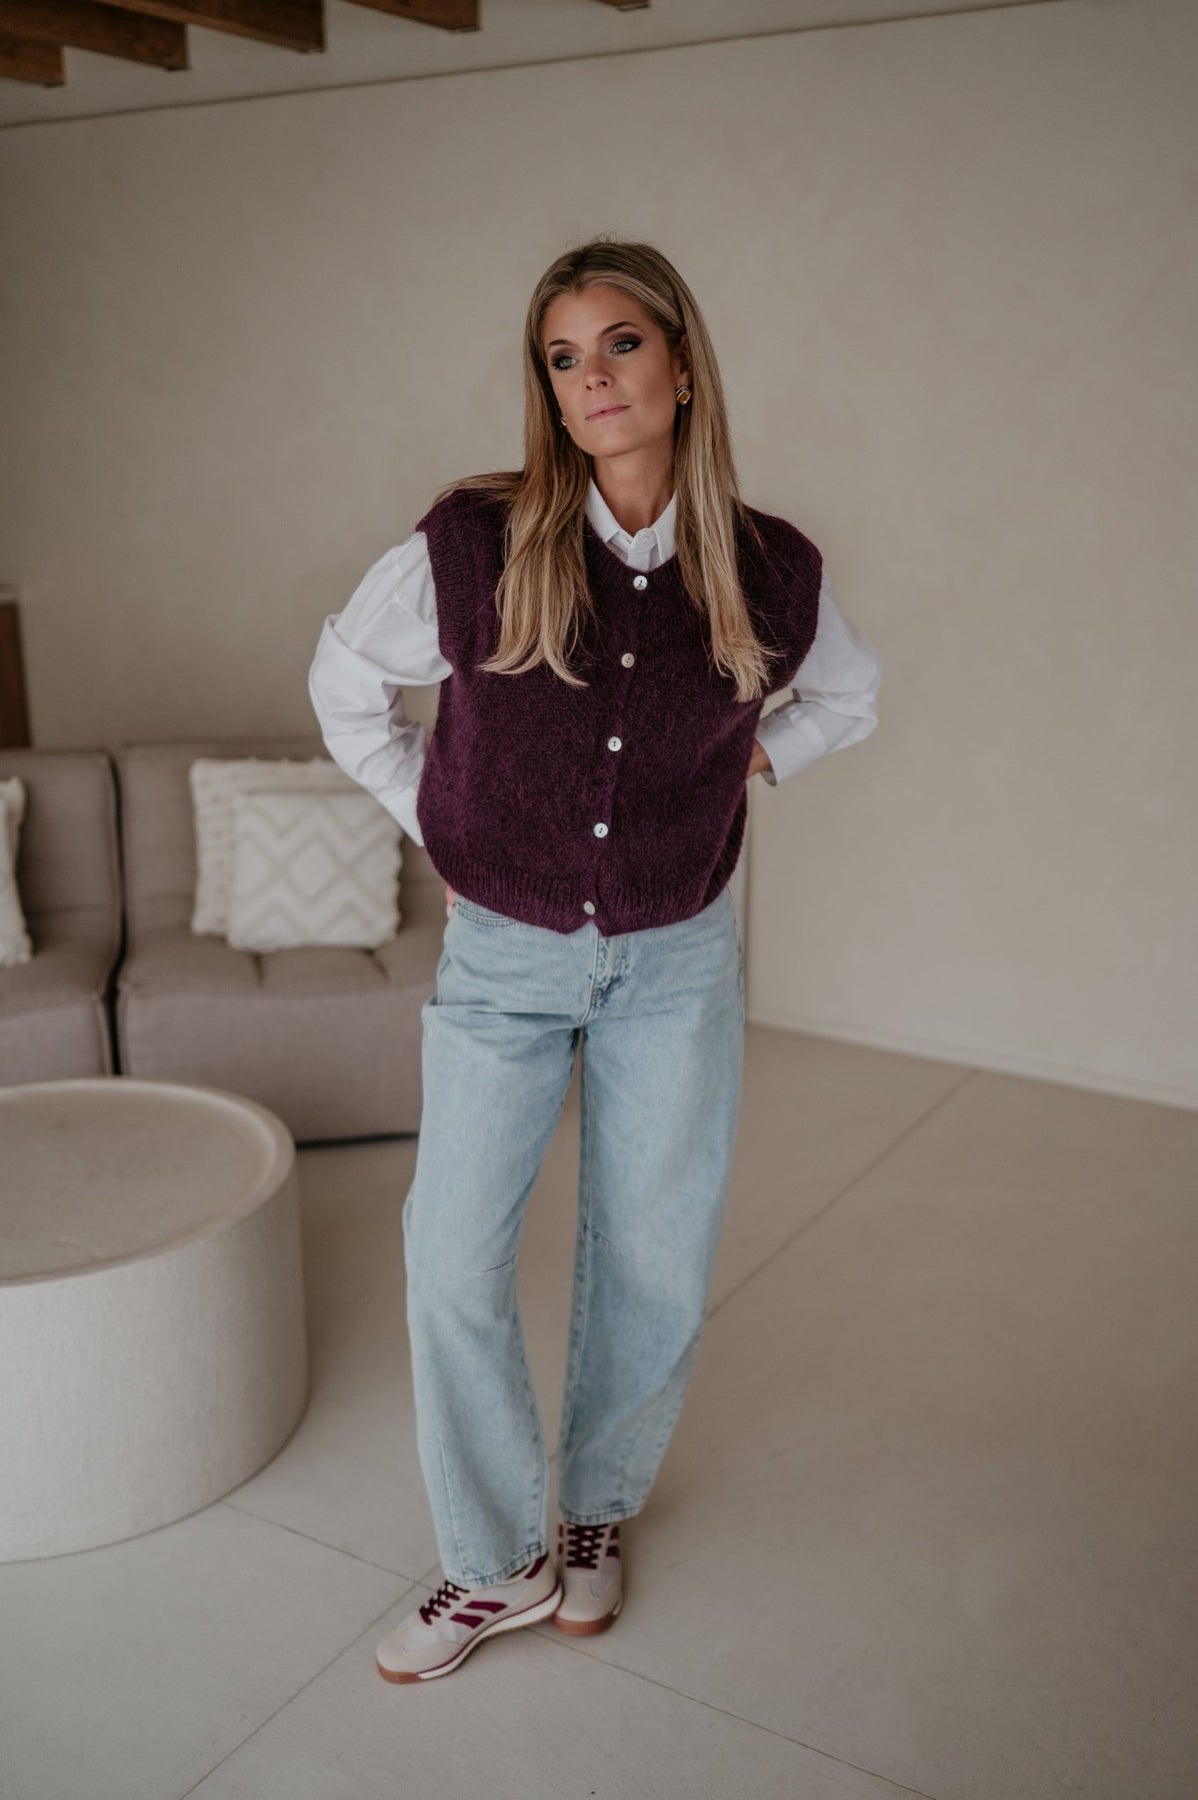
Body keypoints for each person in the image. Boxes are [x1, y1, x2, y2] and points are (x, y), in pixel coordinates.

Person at [308, 235, 882, 1684]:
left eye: (619, 344)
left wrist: (749, 761)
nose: (591, 379)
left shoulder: (769, 565)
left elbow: (851, 699)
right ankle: (492, 1560)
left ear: (681, 367)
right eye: (562, 358)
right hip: (502, 959)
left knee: (653, 1257)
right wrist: (448, 824)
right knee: (449, 1252)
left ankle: (593, 1515)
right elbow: (345, 688)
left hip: (676, 958)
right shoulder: (475, 540)